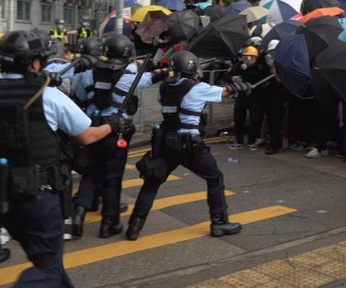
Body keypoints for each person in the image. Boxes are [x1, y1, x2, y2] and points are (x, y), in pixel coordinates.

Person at [0, 30, 132, 286]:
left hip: (1, 197)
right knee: (47, 270)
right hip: (39, 197)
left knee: (51, 262)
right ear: (33, 62)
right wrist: (113, 124)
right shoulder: (48, 96)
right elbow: (87, 136)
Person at [126, 50, 248, 240]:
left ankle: (134, 226)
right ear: (191, 69)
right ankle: (219, 223)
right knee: (214, 178)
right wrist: (240, 86)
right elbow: (223, 92)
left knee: (152, 182)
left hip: (166, 144)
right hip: (190, 146)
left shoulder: (163, 88)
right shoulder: (197, 88)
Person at [71, 33, 168, 239]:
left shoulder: (87, 73)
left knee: (91, 172)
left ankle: (78, 214)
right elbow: (150, 78)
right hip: (116, 131)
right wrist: (166, 70)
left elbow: (78, 96)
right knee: (112, 179)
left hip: (91, 129)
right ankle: (109, 223)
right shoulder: (127, 79)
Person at [227, 45, 269, 150]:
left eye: (250, 57)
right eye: (245, 56)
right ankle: (239, 140)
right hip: (242, 95)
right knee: (238, 118)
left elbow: (264, 79)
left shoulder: (260, 67)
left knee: (255, 119)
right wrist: (233, 78)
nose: (247, 59)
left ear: (255, 57)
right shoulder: (239, 65)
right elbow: (228, 75)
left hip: (256, 96)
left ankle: (252, 140)